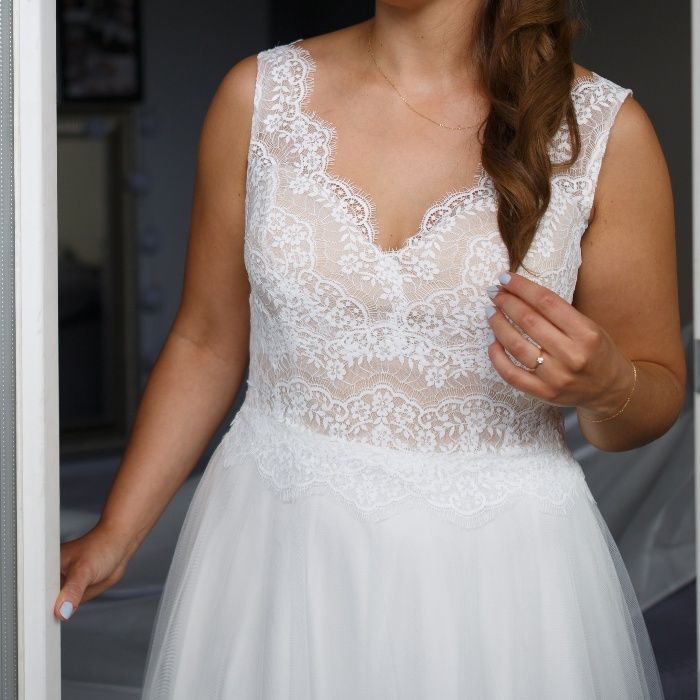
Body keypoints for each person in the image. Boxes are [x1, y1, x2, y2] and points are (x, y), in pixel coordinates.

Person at [55, 1, 686, 698]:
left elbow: (654, 394)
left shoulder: (604, 129)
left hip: (498, 567)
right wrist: (116, 532)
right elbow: (205, 341)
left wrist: (606, 386)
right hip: (277, 541)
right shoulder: (257, 95)